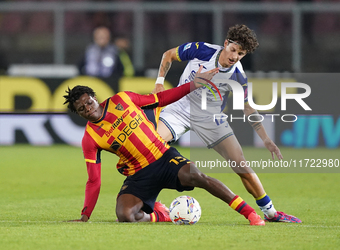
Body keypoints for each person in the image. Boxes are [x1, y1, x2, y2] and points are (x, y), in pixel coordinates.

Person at [64, 66, 265, 225]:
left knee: (197, 176)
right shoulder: (90, 139)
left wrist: (192, 85)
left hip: (164, 157)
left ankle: (249, 213)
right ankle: (160, 215)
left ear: (94, 98)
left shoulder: (123, 99)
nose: (88, 109)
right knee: (125, 215)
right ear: (79, 114)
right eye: (82, 109)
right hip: (139, 174)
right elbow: (93, 181)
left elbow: (160, 99)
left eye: (88, 102)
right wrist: (85, 215)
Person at [152, 24, 301, 223]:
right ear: (225, 44)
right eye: (233, 50)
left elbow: (248, 108)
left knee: (241, 165)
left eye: (241, 54)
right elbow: (168, 55)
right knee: (147, 148)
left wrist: (266, 139)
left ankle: (271, 212)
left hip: (210, 117)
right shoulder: (202, 50)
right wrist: (160, 81)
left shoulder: (238, 75)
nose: (235, 56)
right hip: (179, 108)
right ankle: (150, 204)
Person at [78, 26, 124, 93]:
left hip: (109, 86)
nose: (102, 39)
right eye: (99, 36)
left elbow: (121, 69)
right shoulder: (89, 51)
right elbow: (80, 66)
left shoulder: (115, 52)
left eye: (104, 36)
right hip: (90, 83)